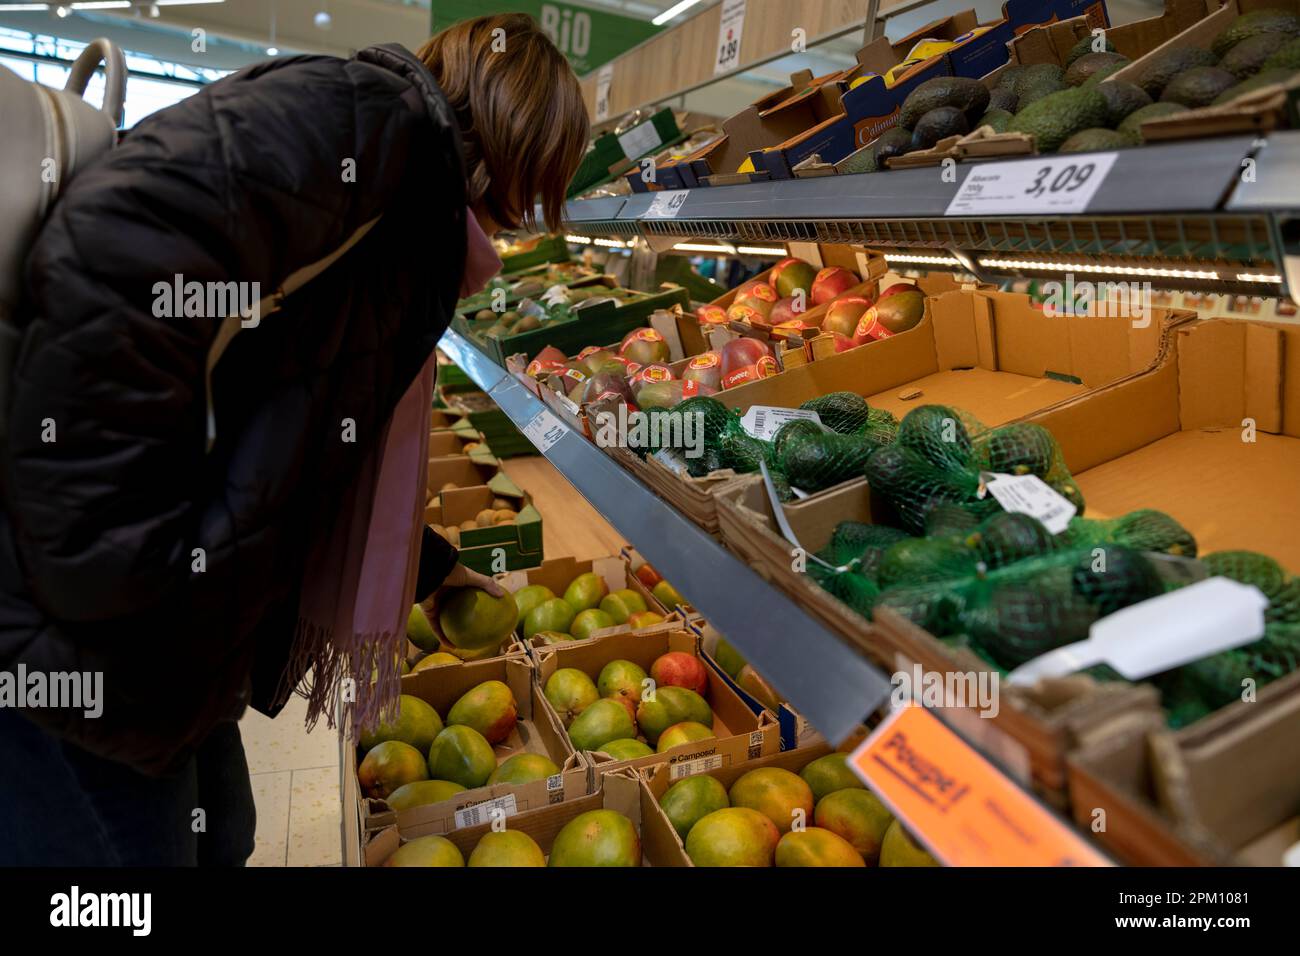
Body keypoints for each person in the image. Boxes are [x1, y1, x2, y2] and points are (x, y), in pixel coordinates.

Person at [0, 13, 589, 865]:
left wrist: (423, 565)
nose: (526, 212)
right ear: (516, 135)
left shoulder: (404, 194)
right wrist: (122, 573)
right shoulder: (364, 130)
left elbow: (296, 407)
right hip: (79, 621)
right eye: (543, 173)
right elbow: (110, 255)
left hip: (168, 628)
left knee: (223, 838)